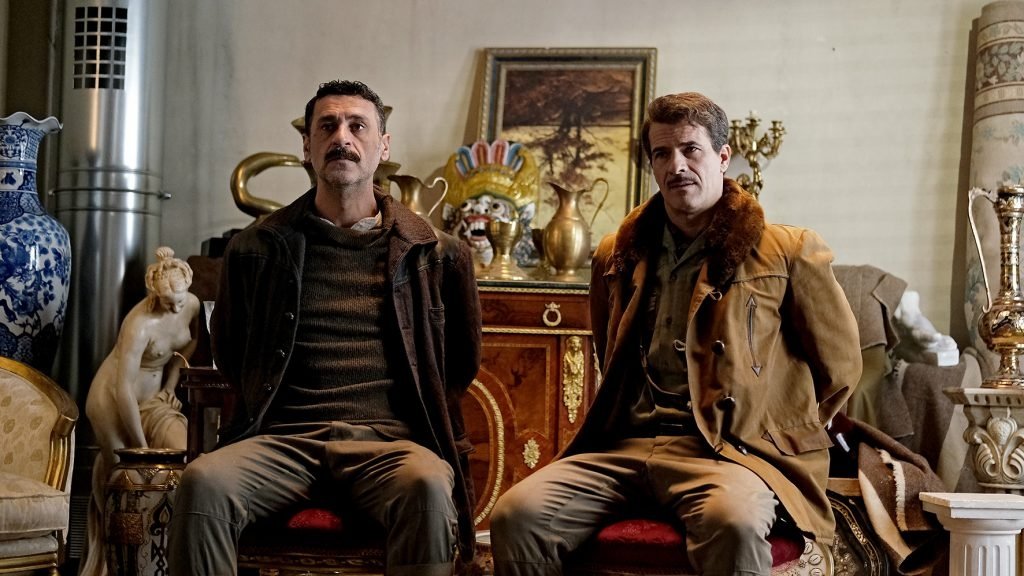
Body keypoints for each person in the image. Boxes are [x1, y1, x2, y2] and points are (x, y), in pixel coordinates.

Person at [490, 92, 863, 576]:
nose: (676, 166)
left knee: (732, 523)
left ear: (723, 157)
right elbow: (609, 350)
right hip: (624, 447)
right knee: (517, 515)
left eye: (691, 150)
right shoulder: (616, 253)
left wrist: (777, 435)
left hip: (731, 453)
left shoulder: (788, 250)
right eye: (662, 154)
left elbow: (840, 368)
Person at [168, 80, 482, 576]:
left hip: (389, 446)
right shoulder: (256, 248)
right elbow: (232, 354)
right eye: (328, 126)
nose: (342, 137)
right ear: (307, 146)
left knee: (426, 485)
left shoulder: (437, 253)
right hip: (283, 441)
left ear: (383, 146)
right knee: (202, 482)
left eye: (358, 126)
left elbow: (459, 365)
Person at [82, 246, 199, 576]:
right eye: (167, 302)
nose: (175, 307)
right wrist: (142, 450)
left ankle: (164, 556)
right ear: (155, 295)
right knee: (124, 478)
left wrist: (171, 386)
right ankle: (111, 562)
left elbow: (190, 344)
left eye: (179, 300)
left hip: (154, 399)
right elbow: (123, 390)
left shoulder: (190, 304)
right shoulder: (140, 324)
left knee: (184, 456)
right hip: (112, 401)